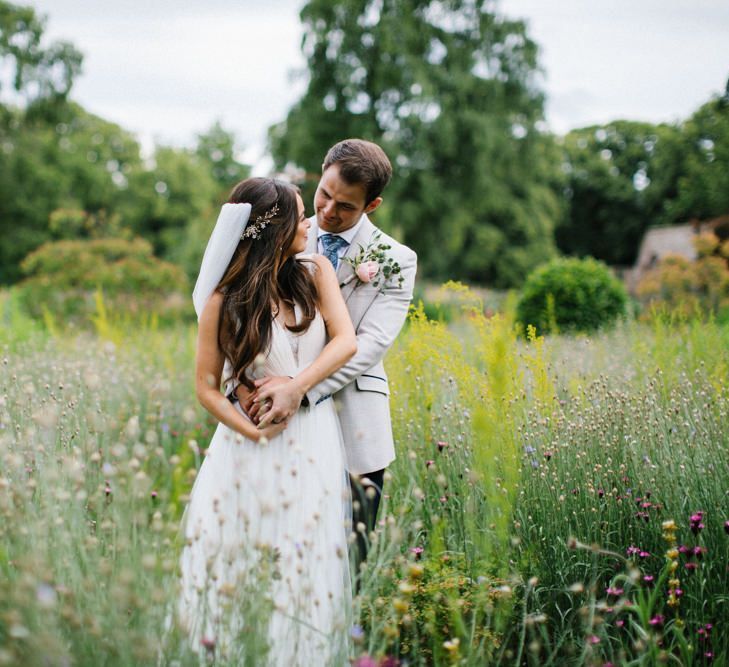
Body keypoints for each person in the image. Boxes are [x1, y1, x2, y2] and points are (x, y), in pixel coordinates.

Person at [177, 177, 357, 664]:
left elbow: (346, 342)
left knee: (304, 563)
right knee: (237, 564)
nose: (310, 222)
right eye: (299, 216)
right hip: (246, 446)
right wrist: (253, 432)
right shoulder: (223, 298)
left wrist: (296, 387)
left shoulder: (316, 271)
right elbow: (206, 388)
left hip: (311, 439)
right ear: (273, 229)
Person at [244, 140, 417, 571]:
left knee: (350, 555)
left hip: (357, 418)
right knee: (279, 545)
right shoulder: (284, 235)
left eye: (346, 206)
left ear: (372, 205)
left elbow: (370, 344)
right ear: (319, 175)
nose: (327, 211)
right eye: (324, 194)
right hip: (280, 420)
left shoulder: (397, 260)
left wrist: (299, 389)